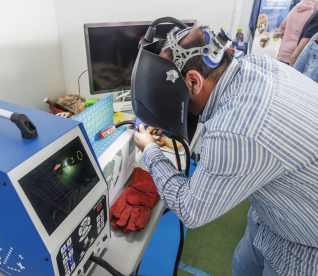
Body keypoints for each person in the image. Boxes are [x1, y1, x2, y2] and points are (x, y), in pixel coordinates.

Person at [134, 26, 318, 275]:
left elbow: (191, 210)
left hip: (304, 242)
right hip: (270, 215)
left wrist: (150, 149)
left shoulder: (235, 131)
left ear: (193, 81)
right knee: (242, 267)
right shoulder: (255, 63)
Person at [277, 0, 317, 64]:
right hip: (297, 58)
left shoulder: (295, 8)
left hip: (283, 54)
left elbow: (280, 32)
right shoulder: (314, 13)